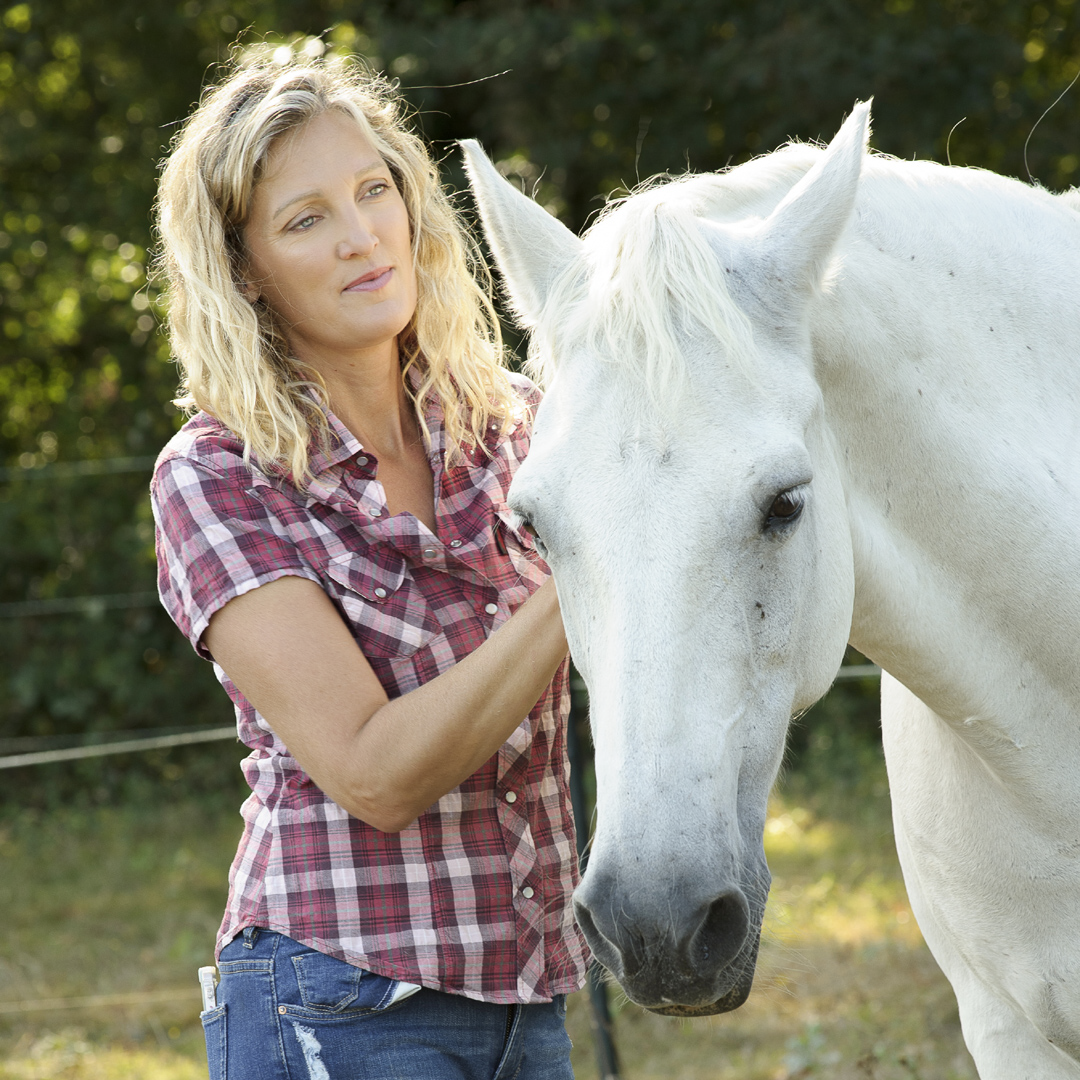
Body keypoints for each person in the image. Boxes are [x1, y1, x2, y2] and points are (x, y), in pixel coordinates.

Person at [150, 50, 587, 1080]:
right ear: (244, 268)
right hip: (339, 997)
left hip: (531, 995)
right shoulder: (219, 478)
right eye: (305, 220)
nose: (360, 239)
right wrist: (589, 571)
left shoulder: (513, 427)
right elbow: (374, 774)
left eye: (372, 192)